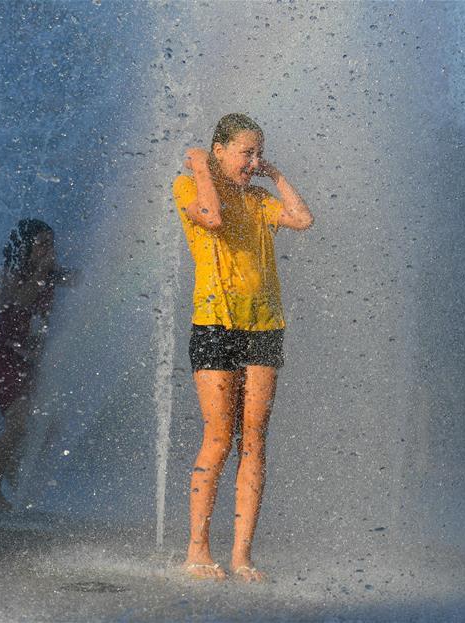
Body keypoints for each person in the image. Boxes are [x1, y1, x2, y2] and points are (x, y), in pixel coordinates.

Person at [172, 113, 313, 582]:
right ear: (219, 149)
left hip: (264, 328)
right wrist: (198, 167)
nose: (253, 162)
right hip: (215, 324)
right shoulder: (188, 187)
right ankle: (197, 551)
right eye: (246, 153)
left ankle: (242, 555)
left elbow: (302, 219)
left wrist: (275, 175)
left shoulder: (258, 199)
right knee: (219, 437)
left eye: (259, 153)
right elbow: (211, 218)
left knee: (254, 441)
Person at [0, 218, 67, 510]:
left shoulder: (51, 276)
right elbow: (19, 303)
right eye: (42, 244)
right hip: (3, 356)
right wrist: (43, 272)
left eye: (51, 244)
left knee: (48, 425)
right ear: (25, 247)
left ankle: (18, 476)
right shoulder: (8, 275)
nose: (48, 250)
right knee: (17, 424)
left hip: (29, 358)